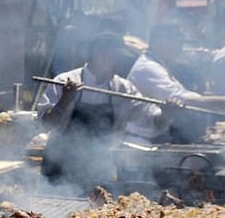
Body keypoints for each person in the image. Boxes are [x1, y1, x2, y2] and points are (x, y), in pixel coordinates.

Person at [36, 31, 164, 189]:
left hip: (98, 168)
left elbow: (151, 120)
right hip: (58, 165)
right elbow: (45, 124)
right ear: (100, 55)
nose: (121, 63)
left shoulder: (123, 88)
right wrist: (65, 99)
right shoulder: (65, 81)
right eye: (117, 57)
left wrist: (167, 113)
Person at [127, 22, 225, 143]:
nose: (181, 47)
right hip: (147, 140)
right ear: (161, 41)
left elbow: (184, 95)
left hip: (159, 134)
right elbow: (182, 101)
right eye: (179, 41)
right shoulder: (148, 68)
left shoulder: (157, 64)